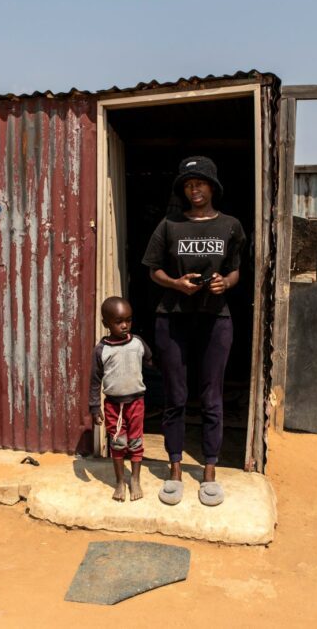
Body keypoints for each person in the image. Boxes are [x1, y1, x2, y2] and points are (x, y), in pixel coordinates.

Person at [141, 155, 245, 507]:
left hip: (215, 319)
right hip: (173, 317)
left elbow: (235, 270)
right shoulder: (169, 225)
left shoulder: (230, 225)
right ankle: (174, 469)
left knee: (212, 396)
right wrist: (175, 283)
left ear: (212, 187)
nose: (194, 189)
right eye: (188, 184)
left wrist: (223, 284)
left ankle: (210, 471)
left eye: (200, 183)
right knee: (176, 395)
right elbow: (153, 269)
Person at [89, 296, 152, 502]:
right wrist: (94, 406)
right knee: (117, 443)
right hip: (114, 406)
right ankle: (119, 481)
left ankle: (135, 479)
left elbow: (149, 359)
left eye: (129, 320)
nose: (125, 325)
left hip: (136, 403)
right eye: (118, 322)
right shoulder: (102, 350)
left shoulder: (138, 343)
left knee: (135, 442)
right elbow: (95, 380)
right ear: (106, 323)